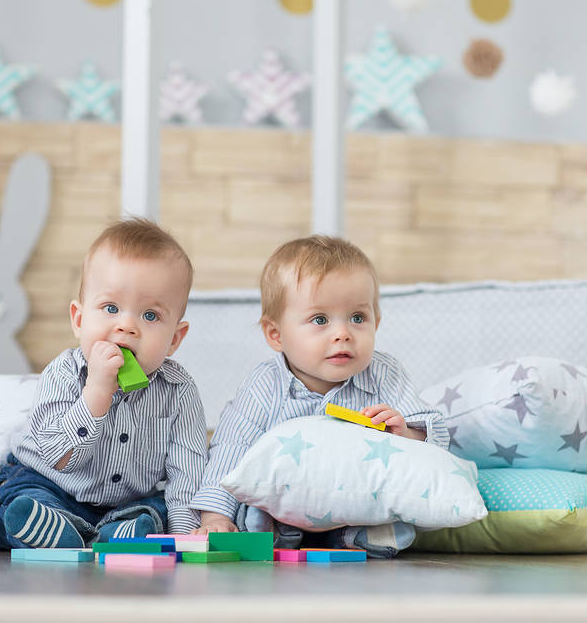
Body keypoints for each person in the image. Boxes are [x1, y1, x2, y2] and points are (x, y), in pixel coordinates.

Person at [189, 235, 450, 558]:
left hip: (355, 504)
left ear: (376, 323)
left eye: (358, 318)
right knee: (253, 513)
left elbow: (435, 430)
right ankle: (278, 535)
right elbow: (230, 447)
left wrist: (408, 433)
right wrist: (216, 516)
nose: (343, 333)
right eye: (320, 320)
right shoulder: (265, 384)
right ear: (276, 335)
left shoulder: (385, 373)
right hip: (281, 507)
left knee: (388, 518)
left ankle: (353, 537)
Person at [0, 218, 207, 550]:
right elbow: (60, 457)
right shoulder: (63, 373)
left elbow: (186, 472)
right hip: (49, 484)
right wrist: (98, 391)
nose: (127, 326)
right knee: (17, 502)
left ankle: (118, 534)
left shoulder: (179, 391)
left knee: (157, 509)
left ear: (174, 339)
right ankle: (50, 529)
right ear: (79, 319)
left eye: (150, 316)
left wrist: (185, 535)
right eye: (111, 308)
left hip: (125, 504)